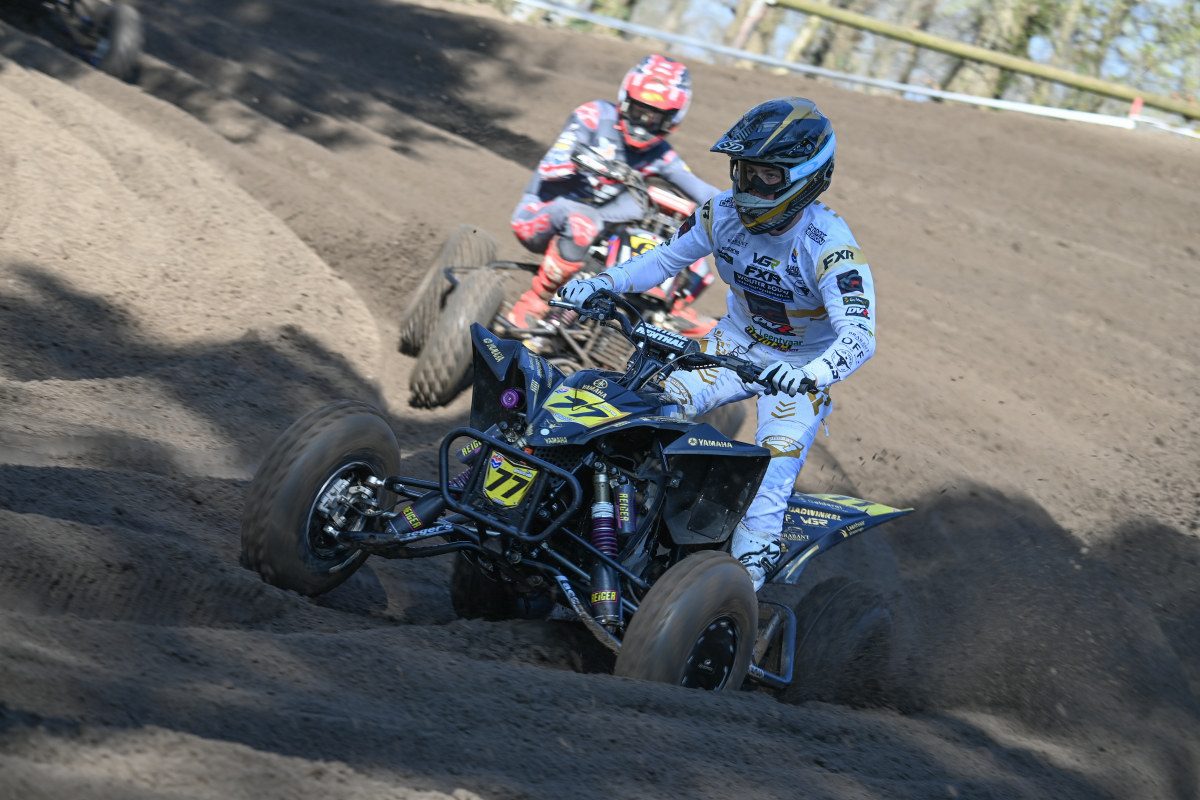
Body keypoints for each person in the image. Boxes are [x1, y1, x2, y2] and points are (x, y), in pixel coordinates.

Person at [559, 97, 877, 591]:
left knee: (767, 490)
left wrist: (810, 375)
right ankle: (615, 524)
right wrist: (604, 282)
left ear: (806, 177)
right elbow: (663, 260)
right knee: (644, 413)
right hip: (733, 347)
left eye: (767, 175)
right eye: (745, 171)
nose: (750, 186)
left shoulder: (829, 246)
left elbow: (860, 335)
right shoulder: (720, 213)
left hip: (798, 372)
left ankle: (736, 598)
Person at [506, 54, 720, 328]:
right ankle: (533, 302)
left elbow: (703, 191)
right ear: (625, 101)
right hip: (540, 215)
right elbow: (553, 164)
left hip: (597, 233)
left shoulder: (662, 156)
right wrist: (602, 167)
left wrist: (744, 208)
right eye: (638, 111)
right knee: (584, 223)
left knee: (662, 243)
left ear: (671, 120)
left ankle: (660, 316)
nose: (642, 123)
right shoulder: (593, 116)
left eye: (654, 118)